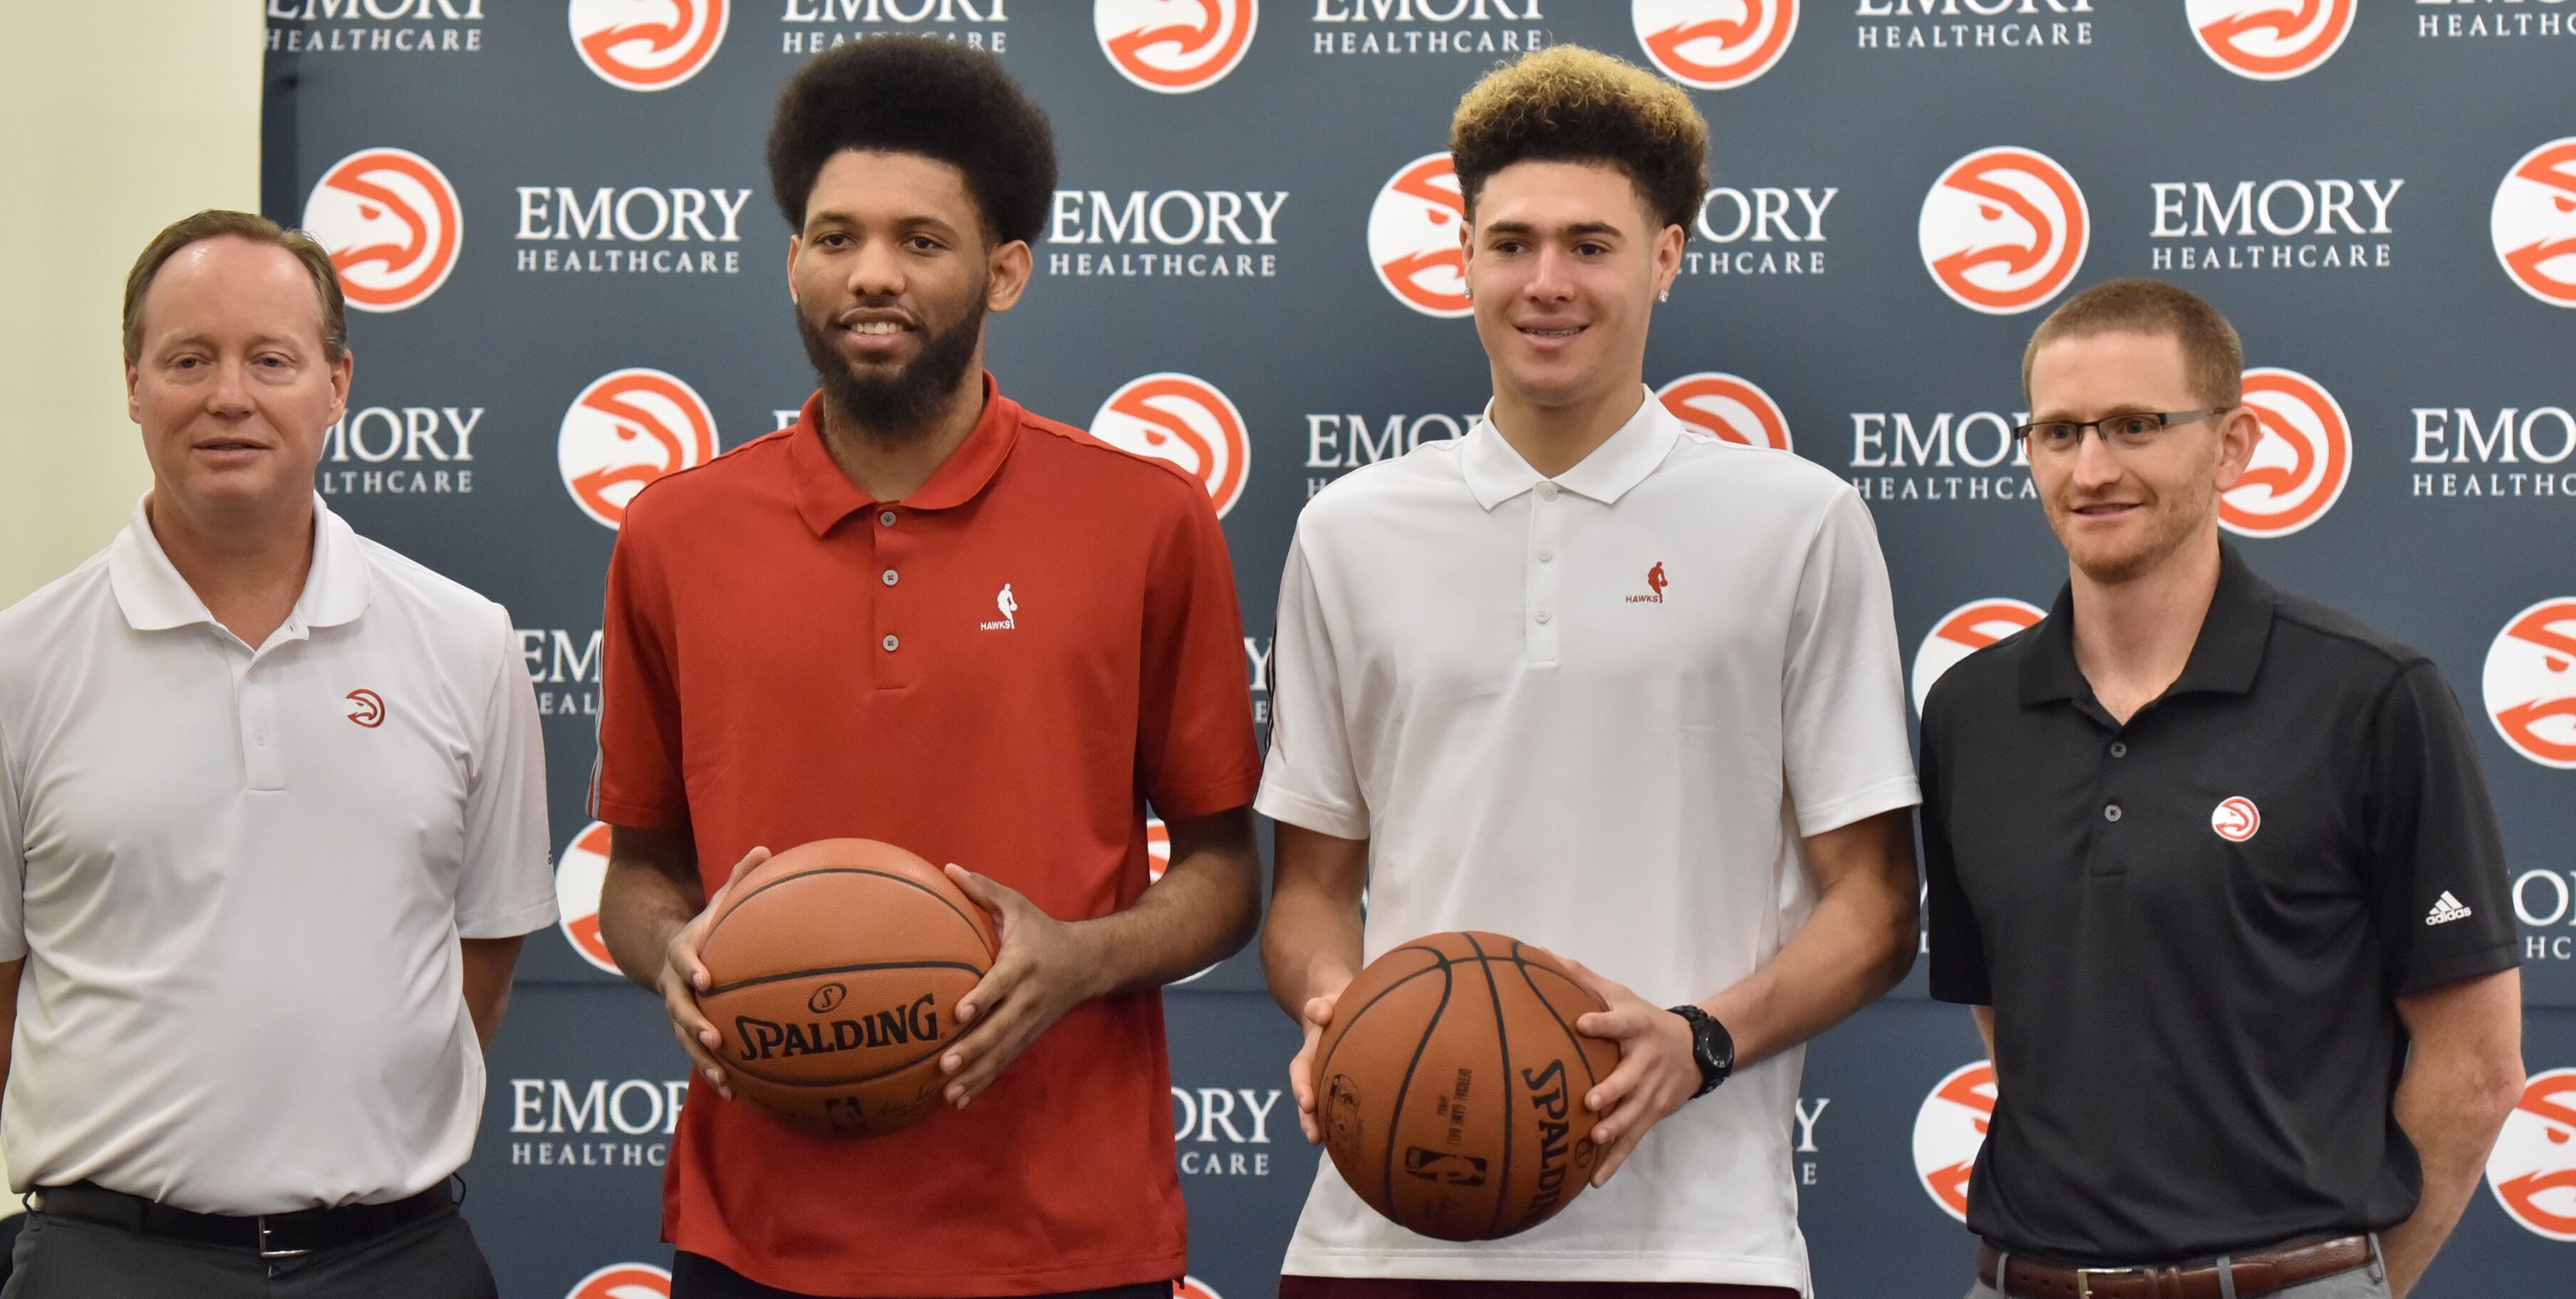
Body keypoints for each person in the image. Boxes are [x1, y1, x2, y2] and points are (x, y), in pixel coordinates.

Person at [589, 38, 1264, 1299]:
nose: (872, 277)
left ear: (1005, 269)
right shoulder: (675, 533)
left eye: (921, 241)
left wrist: (1082, 956)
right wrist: (671, 954)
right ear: (793, 258)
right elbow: (638, 873)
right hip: (761, 1238)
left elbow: (1227, 873)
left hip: (1064, 1232)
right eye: (835, 237)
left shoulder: (1145, 520)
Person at [1257, 46, 1921, 1298]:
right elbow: (1308, 893)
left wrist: (1700, 1045)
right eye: (1510, 243)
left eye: (1591, 246)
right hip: (1387, 1228)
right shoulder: (1348, 530)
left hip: (1696, 1243)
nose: (1546, 283)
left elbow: (1877, 906)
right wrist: (1340, 1011)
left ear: (1666, 257)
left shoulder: (1798, 521)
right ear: (1459, 254)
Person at [0, 209, 556, 1298]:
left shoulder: (466, 644)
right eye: (189, 360)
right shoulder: (5, 672)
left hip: (401, 1260)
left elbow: (479, 959)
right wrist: (144, 1168)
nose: (230, 397)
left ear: (338, 383)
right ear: (132, 386)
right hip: (108, 1263)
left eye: (272, 360)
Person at [1920, 278, 2527, 1299]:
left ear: (2235, 445)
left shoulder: (2372, 697)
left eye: (2136, 426)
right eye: (2059, 432)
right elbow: (2014, 1024)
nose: (2093, 467)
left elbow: (2475, 1068)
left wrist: (2348, 1285)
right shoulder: (1969, 715)